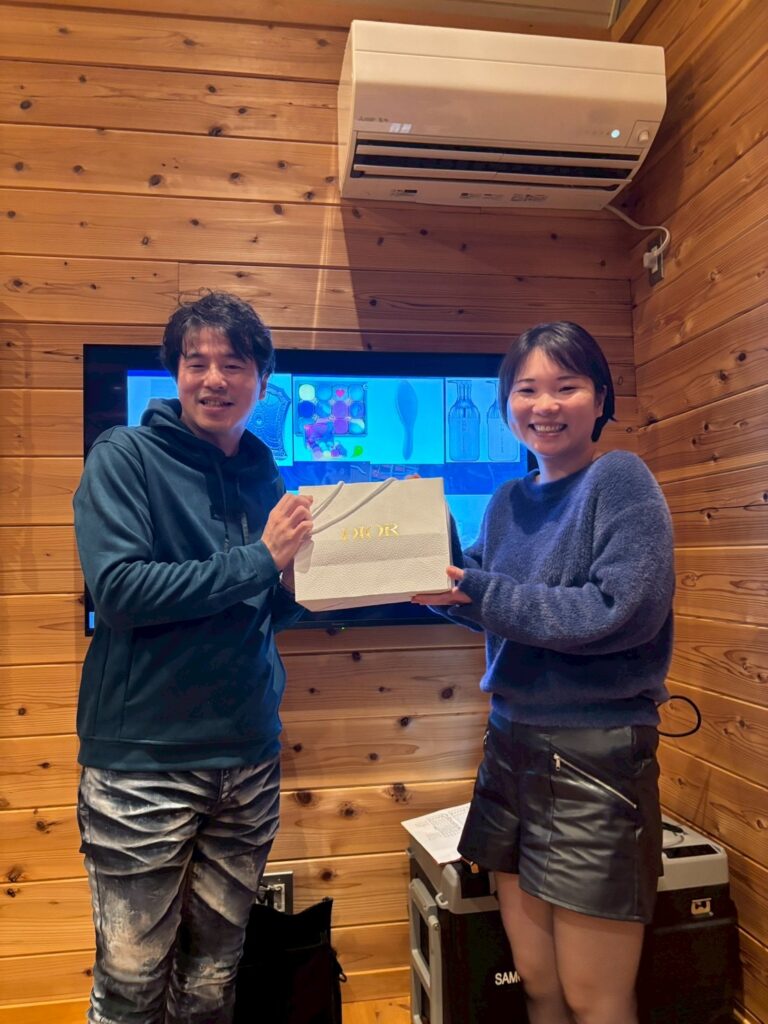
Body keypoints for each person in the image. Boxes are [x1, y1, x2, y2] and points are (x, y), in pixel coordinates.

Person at [413, 321, 674, 1024]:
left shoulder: (619, 479)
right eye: (526, 390)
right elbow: (489, 604)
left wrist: (476, 589)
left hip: (595, 758)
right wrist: (428, 566)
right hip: (510, 747)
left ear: (600, 399)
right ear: (506, 405)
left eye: (567, 386)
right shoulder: (507, 500)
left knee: (596, 997)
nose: (545, 405)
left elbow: (620, 611)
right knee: (536, 983)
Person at [73, 291, 314, 1024]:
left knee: (214, 974)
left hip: (248, 756)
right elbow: (119, 591)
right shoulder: (125, 456)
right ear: (175, 373)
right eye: (195, 362)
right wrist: (261, 560)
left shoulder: (265, 473)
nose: (213, 379)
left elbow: (262, 605)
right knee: (131, 979)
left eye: (233, 364)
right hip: (143, 765)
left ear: (262, 381)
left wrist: (300, 587)